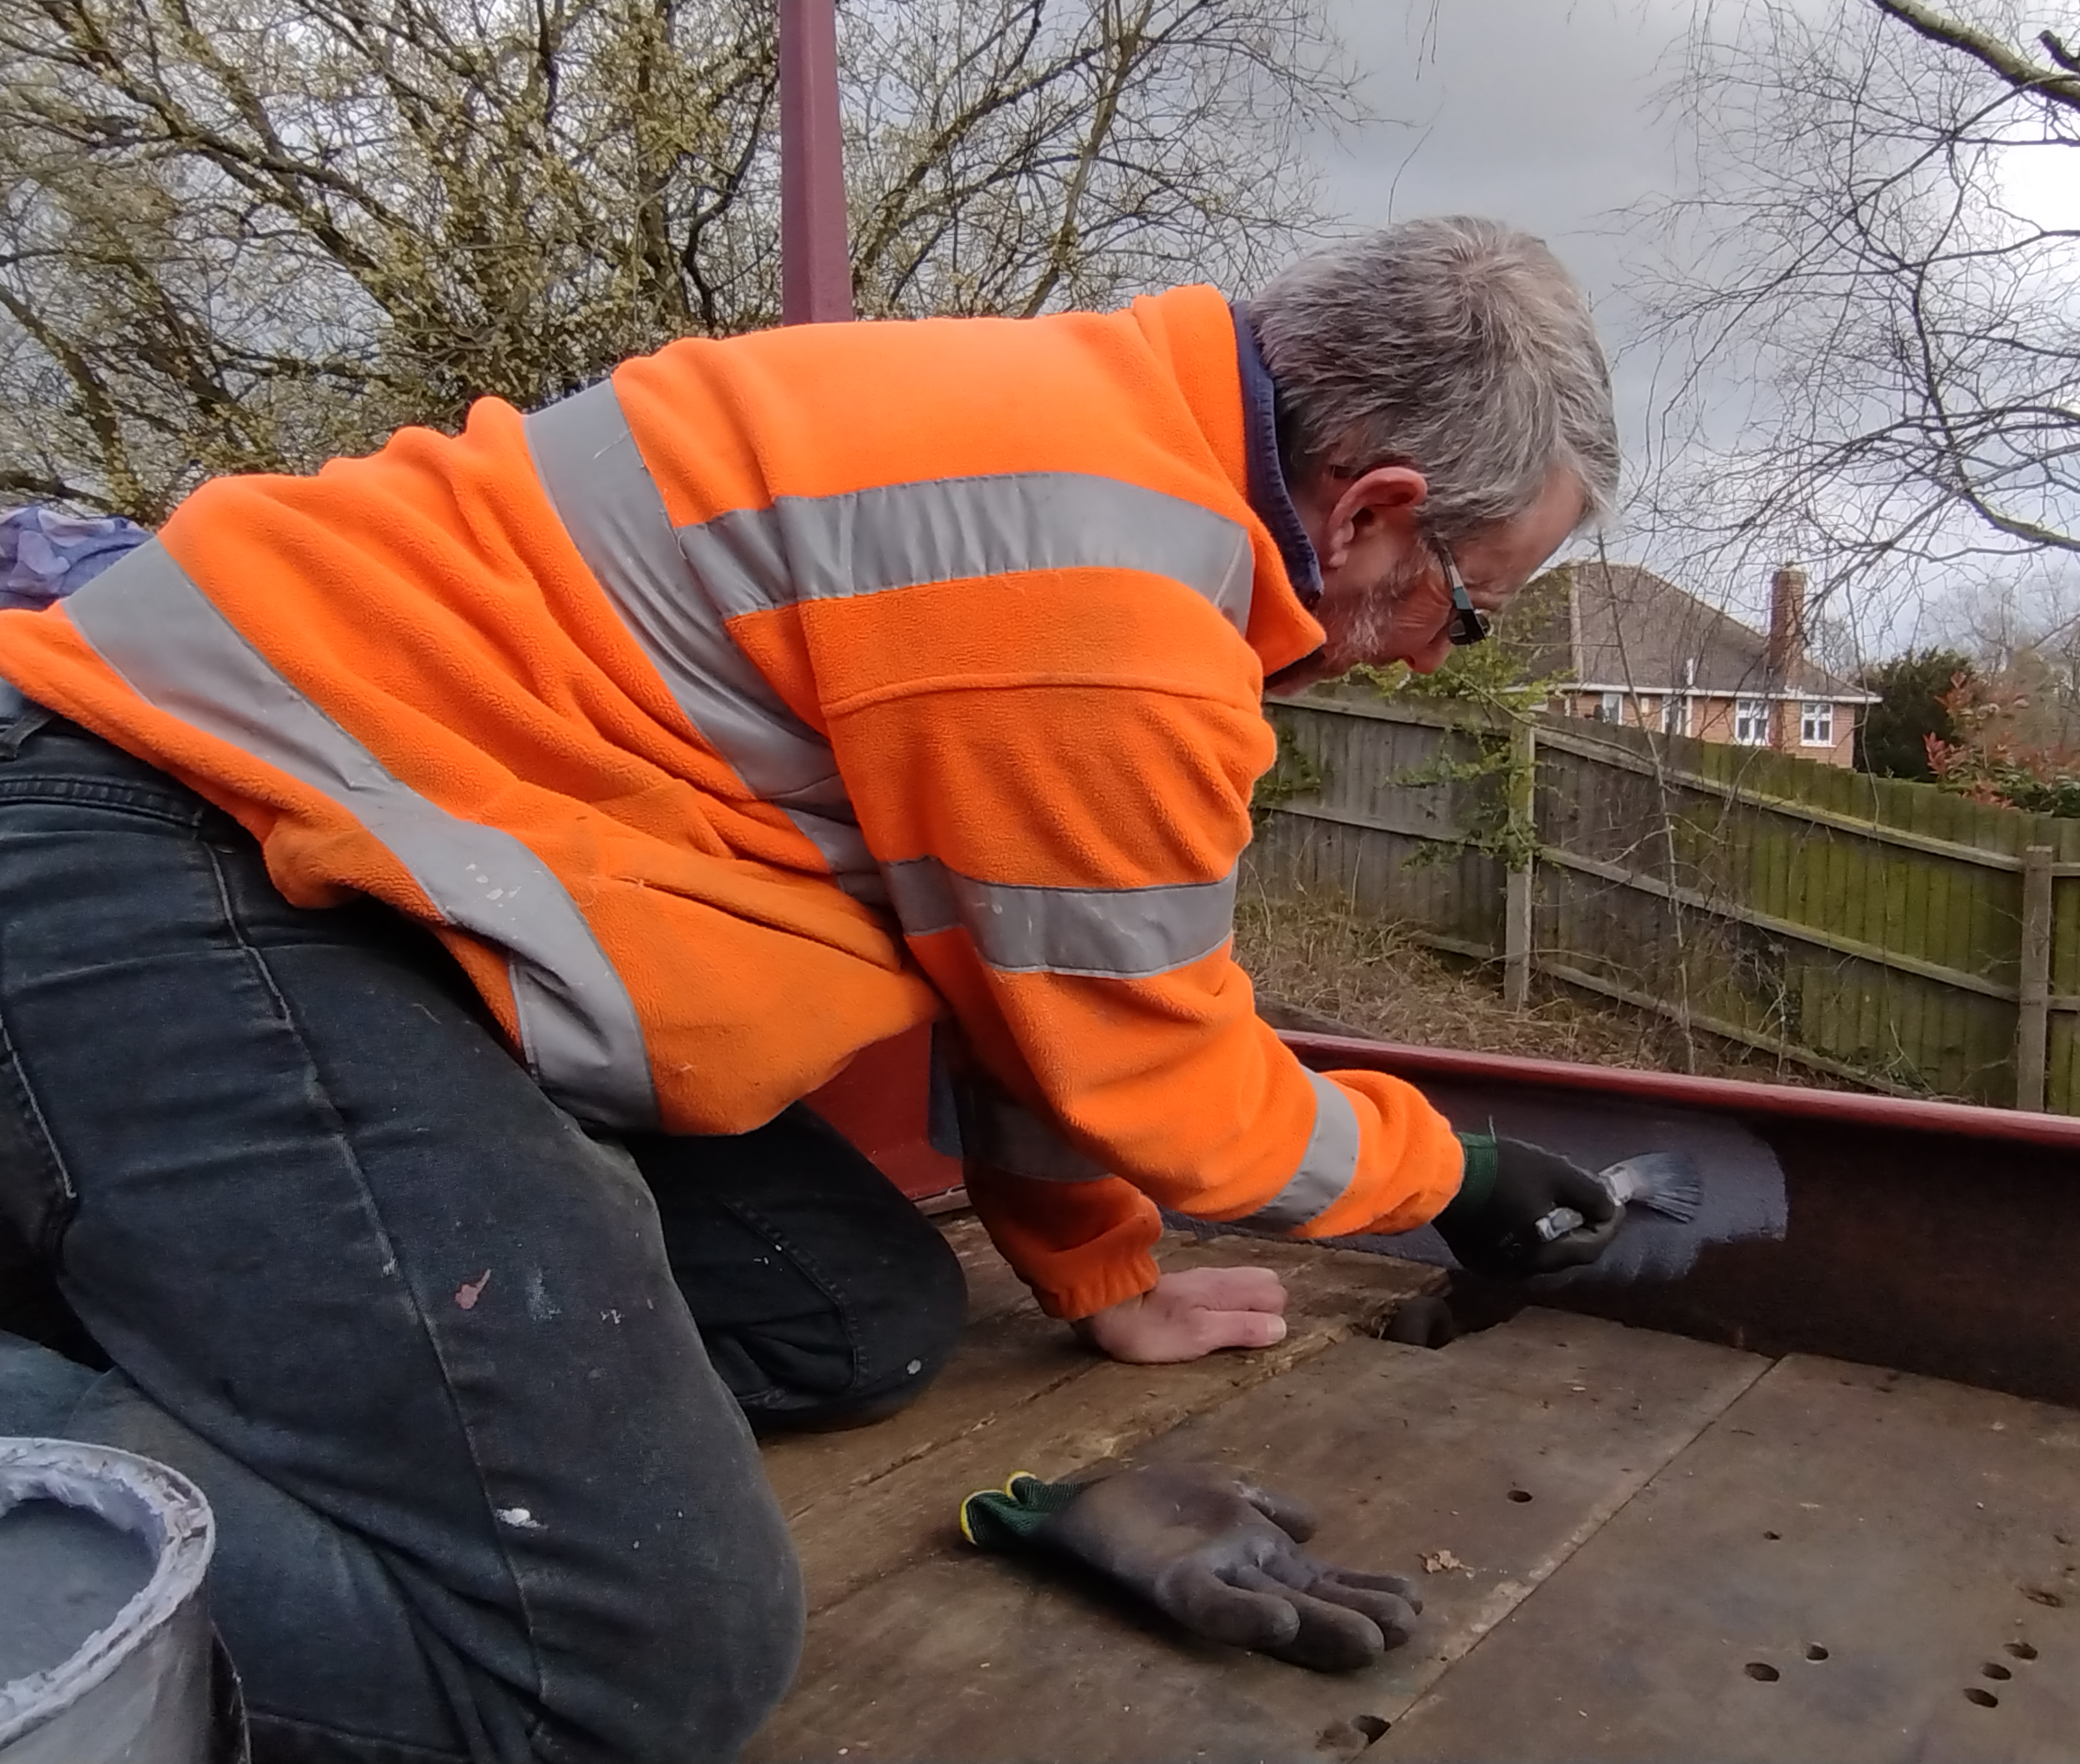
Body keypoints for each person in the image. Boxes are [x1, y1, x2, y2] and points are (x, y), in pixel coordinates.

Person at [0, 215, 1621, 1761]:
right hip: (178, 834)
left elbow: (1033, 991)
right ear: (1373, 509)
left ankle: (213, 1316)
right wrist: (1455, 1177)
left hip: (402, 894)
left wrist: (1099, 1270)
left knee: (849, 1317)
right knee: (620, 1656)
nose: (1436, 656)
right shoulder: (1108, 583)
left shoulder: (1095, 441)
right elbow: (1164, 1080)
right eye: (1471, 607)